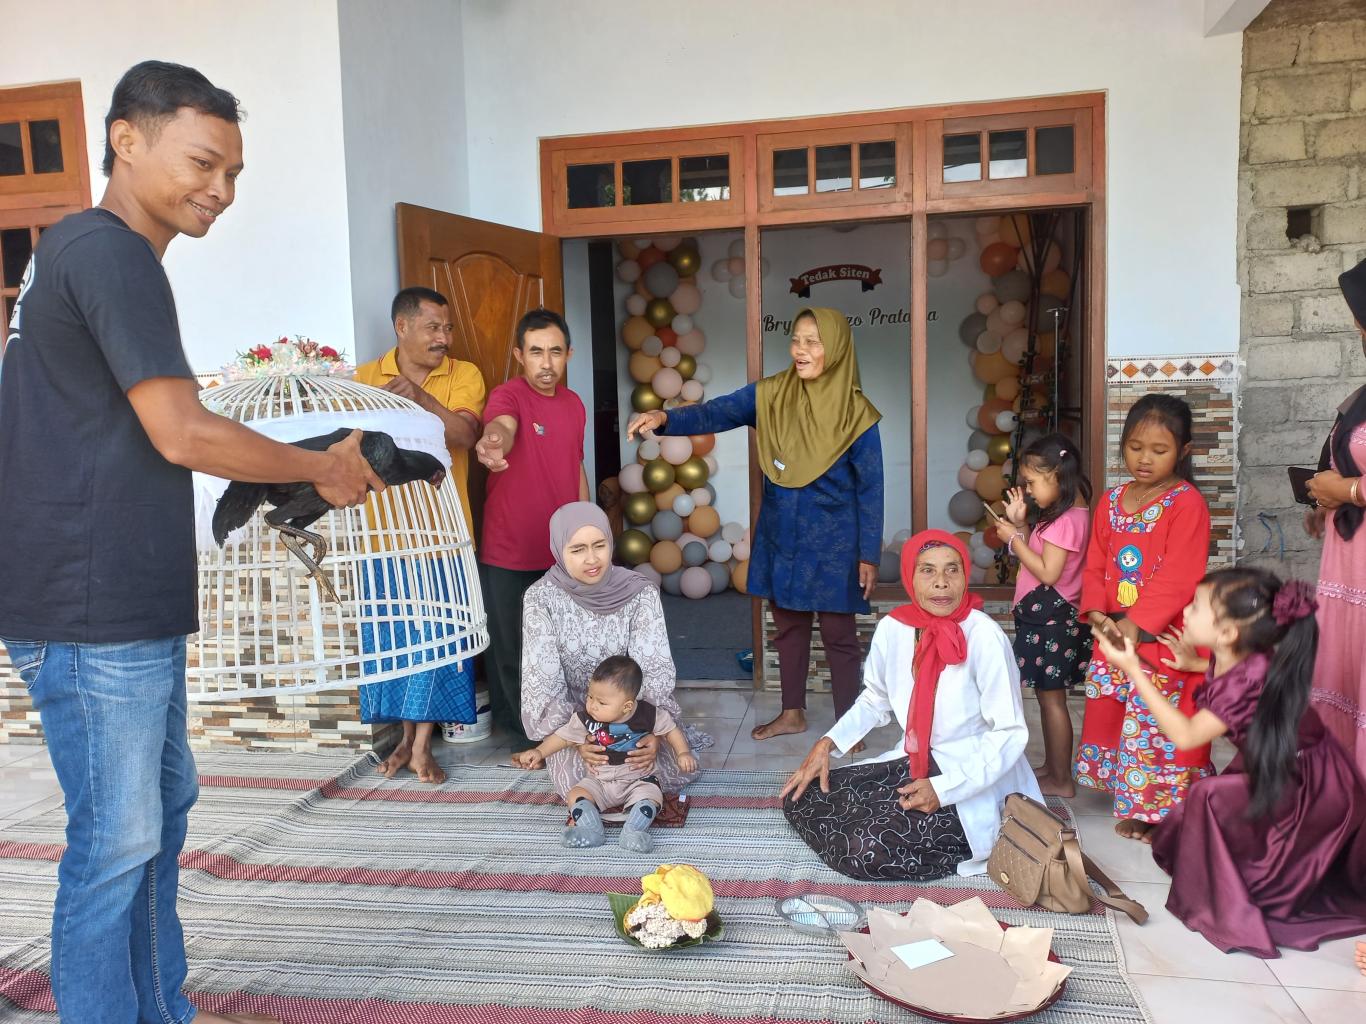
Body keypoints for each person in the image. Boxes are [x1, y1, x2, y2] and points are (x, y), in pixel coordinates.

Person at [0, 62, 380, 1024]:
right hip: (91, 606)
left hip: (116, 598)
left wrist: (293, 462)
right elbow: (181, 432)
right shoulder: (112, 252)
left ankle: (159, 1008)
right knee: (115, 843)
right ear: (125, 140)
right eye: (204, 162)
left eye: (234, 172)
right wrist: (322, 470)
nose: (221, 189)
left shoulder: (83, 249)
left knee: (156, 820)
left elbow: (150, 428)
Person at [628, 307, 882, 742]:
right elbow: (718, 412)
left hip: (836, 543)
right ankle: (792, 713)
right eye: (796, 339)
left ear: (837, 349)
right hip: (783, 535)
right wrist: (666, 419)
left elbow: (871, 488)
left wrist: (868, 554)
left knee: (839, 636)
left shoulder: (857, 414)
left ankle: (849, 725)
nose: (800, 350)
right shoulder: (771, 394)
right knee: (788, 627)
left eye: (813, 341)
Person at [1097, 569, 1366, 959]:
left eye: (1196, 607)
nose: (1185, 612)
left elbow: (1187, 735)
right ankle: (1227, 870)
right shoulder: (1236, 657)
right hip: (1284, 767)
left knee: (1208, 795)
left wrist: (1133, 669)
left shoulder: (1246, 676)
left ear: (1226, 633)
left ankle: (1236, 888)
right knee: (1205, 800)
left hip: (1311, 785)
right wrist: (1194, 664)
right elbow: (1232, 686)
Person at [779, 531, 1040, 881]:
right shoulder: (894, 629)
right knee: (801, 797)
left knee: (863, 848)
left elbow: (1009, 733)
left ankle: (971, 843)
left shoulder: (984, 636)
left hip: (971, 775)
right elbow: (875, 699)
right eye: (928, 570)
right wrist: (827, 743)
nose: (941, 583)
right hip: (916, 761)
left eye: (952, 570)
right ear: (910, 578)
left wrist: (943, 790)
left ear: (965, 576)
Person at [353, 287, 486, 783]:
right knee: (397, 645)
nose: (443, 338)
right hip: (383, 536)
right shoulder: (364, 378)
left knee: (441, 642)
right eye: (433, 327)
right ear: (402, 326)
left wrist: (421, 399)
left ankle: (423, 745)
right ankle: (405, 741)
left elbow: (466, 436)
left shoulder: (465, 375)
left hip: (443, 535)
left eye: (447, 328)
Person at [1073, 394, 1213, 841]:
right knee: (1123, 720)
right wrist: (1098, 614)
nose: (1145, 459)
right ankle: (1136, 803)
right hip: (1114, 633)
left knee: (1155, 723)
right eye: (1135, 447)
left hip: (1161, 638)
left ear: (1183, 451)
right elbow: (1096, 562)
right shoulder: (1112, 500)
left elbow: (1180, 575)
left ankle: (1166, 814)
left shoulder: (1186, 503)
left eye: (1159, 449)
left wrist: (1137, 623)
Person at [521, 501, 709, 799]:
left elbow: (653, 670)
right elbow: (543, 680)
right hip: (578, 720)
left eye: (600, 545)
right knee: (580, 787)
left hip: (633, 713)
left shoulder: (640, 592)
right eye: (577, 549)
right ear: (558, 550)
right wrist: (579, 739)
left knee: (653, 774)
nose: (592, 559)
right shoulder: (540, 598)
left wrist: (648, 730)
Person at [474, 308, 588, 746]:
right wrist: (493, 442)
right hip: (509, 548)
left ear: (568, 354)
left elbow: (576, 465)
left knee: (560, 645)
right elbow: (501, 426)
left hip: (560, 551)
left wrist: (588, 530)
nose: (546, 363)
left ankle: (558, 727)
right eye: (536, 352)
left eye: (555, 352)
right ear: (519, 355)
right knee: (513, 648)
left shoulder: (574, 404)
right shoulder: (508, 396)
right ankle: (525, 736)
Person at [513, 655, 696, 853]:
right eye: (590, 697)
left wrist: (683, 752)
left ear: (627, 706)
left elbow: (670, 731)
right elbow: (562, 737)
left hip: (638, 779)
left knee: (652, 797)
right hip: (599, 780)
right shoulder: (587, 718)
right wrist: (539, 751)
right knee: (576, 794)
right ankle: (592, 830)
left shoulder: (648, 714)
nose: (592, 705)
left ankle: (632, 832)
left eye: (601, 702)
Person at [993, 433, 1092, 797]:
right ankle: (1053, 768)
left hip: (1054, 619)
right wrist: (1020, 525)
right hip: (1046, 618)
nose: (1030, 491)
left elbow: (1048, 572)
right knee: (1048, 698)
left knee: (1052, 700)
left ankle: (1061, 779)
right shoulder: (1063, 514)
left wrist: (1012, 539)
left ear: (1057, 475)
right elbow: (1036, 556)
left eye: (1033, 482)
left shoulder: (1067, 519)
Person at [1305, 257, 1366, 779]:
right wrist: (1326, 503)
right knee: (1344, 672)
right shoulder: (1361, 397)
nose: (1357, 330)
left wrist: (1346, 489)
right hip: (1346, 560)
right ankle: (1344, 797)